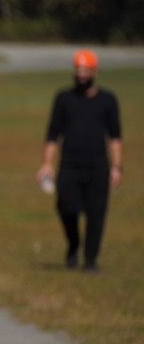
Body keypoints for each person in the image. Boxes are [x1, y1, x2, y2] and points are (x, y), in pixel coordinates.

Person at [36, 49, 122, 272]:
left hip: (98, 165)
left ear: (95, 71)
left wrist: (116, 167)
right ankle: (73, 243)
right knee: (66, 207)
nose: (81, 74)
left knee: (96, 214)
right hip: (70, 164)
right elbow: (53, 134)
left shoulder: (108, 100)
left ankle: (90, 260)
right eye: (78, 70)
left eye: (86, 70)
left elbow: (115, 136)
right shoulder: (64, 99)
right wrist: (47, 164)